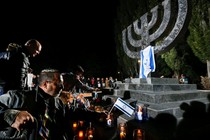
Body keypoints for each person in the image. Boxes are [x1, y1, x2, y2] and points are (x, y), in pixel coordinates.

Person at [0, 68, 71, 140]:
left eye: (62, 84)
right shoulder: (19, 97)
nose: (62, 87)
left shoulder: (59, 104)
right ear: (45, 84)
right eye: (58, 84)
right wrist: (12, 115)